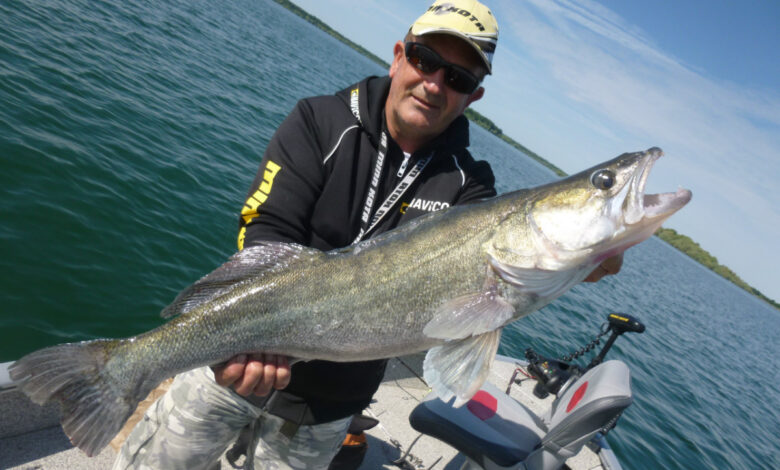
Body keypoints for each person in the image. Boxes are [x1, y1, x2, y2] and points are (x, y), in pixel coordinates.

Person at [113, 1, 620, 469]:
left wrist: (581, 262)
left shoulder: (473, 187)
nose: (435, 84)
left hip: (327, 409)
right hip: (230, 371)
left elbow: (489, 292)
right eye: (424, 59)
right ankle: (122, 368)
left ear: (474, 96)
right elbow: (266, 234)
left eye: (458, 78)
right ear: (399, 56)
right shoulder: (320, 120)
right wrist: (245, 343)